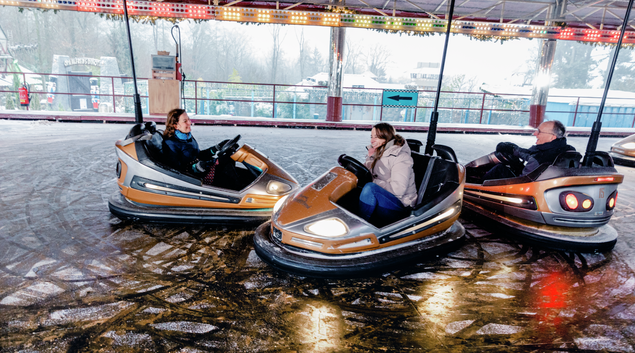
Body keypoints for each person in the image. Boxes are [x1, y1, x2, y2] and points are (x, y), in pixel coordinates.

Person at [162, 108, 239, 188]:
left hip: (202, 169)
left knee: (229, 157)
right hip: (194, 179)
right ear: (176, 126)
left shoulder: (188, 136)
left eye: (189, 119)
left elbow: (198, 154)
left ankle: (238, 186)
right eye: (185, 121)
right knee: (225, 161)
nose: (189, 123)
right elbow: (175, 169)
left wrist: (216, 147)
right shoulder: (170, 143)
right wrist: (195, 168)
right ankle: (239, 190)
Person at [359, 123, 417, 226]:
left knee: (370, 188)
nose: (372, 140)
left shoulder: (401, 157)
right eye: (371, 137)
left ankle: (358, 226)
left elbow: (398, 190)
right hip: (385, 199)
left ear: (385, 138)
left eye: (376, 137)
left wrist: (373, 182)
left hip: (400, 206)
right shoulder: (378, 152)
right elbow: (365, 171)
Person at [484, 120, 575, 180]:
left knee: (499, 169)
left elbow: (521, 182)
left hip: (528, 189)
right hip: (549, 184)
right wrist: (513, 150)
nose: (535, 133)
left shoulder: (539, 159)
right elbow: (531, 154)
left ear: (552, 137)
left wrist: (516, 166)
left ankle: (478, 189)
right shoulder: (568, 150)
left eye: (539, 132)